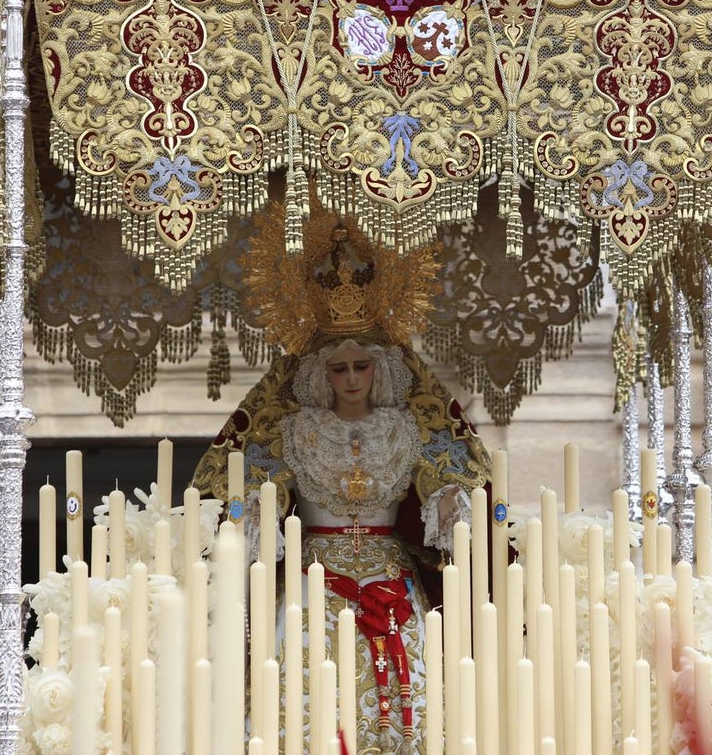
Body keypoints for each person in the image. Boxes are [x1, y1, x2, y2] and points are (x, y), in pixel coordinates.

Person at [192, 206, 491, 754]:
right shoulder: (293, 432)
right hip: (314, 583)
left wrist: (452, 500)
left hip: (392, 582)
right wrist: (258, 509)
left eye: (361, 366)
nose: (351, 379)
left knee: (404, 700)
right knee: (304, 699)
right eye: (339, 368)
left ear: (381, 368)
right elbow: (254, 478)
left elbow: (451, 471)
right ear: (318, 374)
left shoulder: (406, 430)